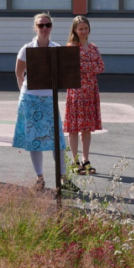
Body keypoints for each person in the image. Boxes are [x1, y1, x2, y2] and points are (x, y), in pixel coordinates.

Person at [12, 13, 66, 190]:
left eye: (47, 25)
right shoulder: (26, 49)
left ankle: (63, 177)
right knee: (35, 140)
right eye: (40, 25)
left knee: (57, 140)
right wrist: (25, 93)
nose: (44, 28)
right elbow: (19, 75)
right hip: (31, 98)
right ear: (35, 27)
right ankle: (40, 177)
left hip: (50, 98)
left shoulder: (57, 49)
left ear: (51, 27)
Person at [64, 15, 104, 175]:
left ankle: (85, 159)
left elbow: (101, 66)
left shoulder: (93, 47)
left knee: (87, 128)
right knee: (74, 128)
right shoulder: (70, 47)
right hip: (76, 91)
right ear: (75, 30)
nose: (83, 31)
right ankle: (74, 161)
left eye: (86, 28)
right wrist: (89, 66)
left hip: (90, 91)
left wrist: (83, 67)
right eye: (80, 28)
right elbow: (69, 69)